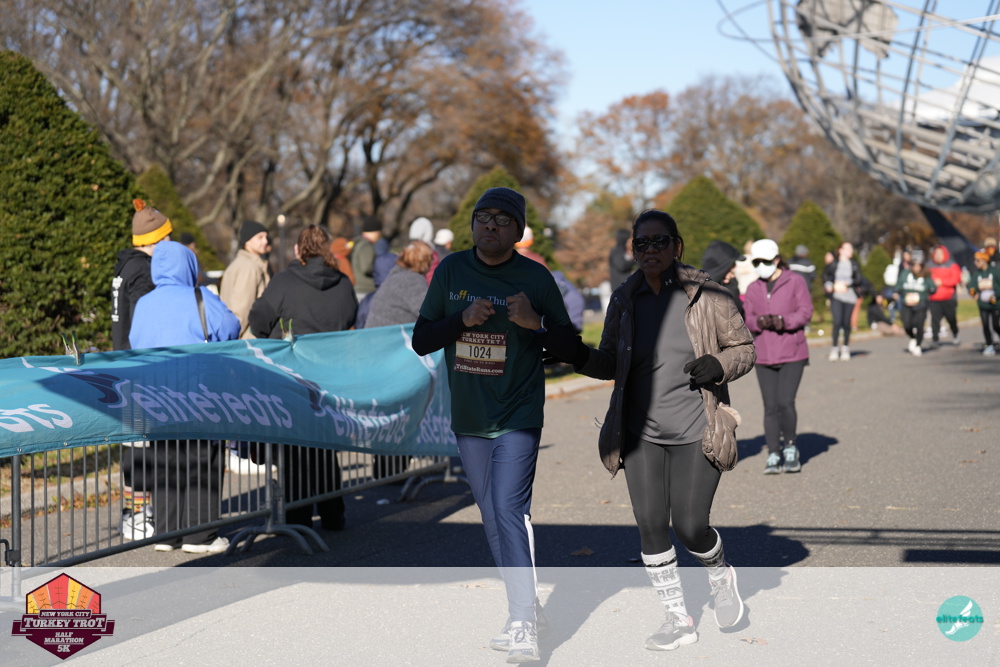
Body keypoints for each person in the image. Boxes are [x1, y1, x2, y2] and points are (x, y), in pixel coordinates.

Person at [569, 209, 756, 651]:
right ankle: (677, 619)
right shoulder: (624, 298)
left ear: (677, 246)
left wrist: (718, 365)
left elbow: (745, 348)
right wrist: (573, 354)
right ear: (633, 250)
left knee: (690, 527)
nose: (650, 250)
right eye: (642, 243)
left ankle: (720, 576)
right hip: (640, 432)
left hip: (696, 426)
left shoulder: (708, 294)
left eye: (659, 241)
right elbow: (609, 361)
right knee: (650, 525)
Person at [411, 186, 575, 663]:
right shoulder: (451, 270)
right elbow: (422, 340)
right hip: (470, 417)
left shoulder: (535, 277)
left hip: (518, 413)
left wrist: (533, 325)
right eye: (483, 216)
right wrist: (461, 319)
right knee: (491, 516)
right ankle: (528, 609)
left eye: (503, 219)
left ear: (518, 230)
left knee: (508, 509)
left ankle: (522, 621)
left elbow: (569, 345)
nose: (490, 225)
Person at [130, 241, 240, 554]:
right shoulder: (200, 297)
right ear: (188, 265)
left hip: (155, 394)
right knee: (202, 460)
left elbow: (134, 341)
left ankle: (167, 534)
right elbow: (231, 327)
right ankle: (200, 536)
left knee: (164, 462)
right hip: (198, 392)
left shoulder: (145, 304)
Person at [249, 225, 358, 530]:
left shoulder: (284, 281)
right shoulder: (342, 282)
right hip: (330, 375)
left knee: (295, 450)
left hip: (292, 376)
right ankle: (333, 514)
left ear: (298, 250)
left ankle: (299, 518)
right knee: (325, 448)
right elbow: (352, 316)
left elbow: (258, 318)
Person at [112, 198, 173, 542]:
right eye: (167, 238)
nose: (170, 243)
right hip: (140, 366)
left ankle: (134, 512)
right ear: (155, 240)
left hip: (125, 363)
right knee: (140, 447)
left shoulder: (125, 266)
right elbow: (144, 321)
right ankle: (136, 515)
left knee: (135, 443)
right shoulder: (144, 271)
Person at [742, 239, 813, 475]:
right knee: (770, 406)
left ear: (777, 260)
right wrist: (759, 322)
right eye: (757, 262)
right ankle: (773, 452)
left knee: (785, 402)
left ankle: (790, 447)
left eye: (765, 261)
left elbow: (806, 311)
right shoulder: (753, 288)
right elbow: (747, 318)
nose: (761, 266)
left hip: (792, 352)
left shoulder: (795, 281)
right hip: (764, 354)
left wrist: (784, 321)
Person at [365, 239, 435, 479]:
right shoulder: (411, 281)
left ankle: (389, 470)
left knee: (391, 414)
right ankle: (391, 472)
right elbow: (430, 312)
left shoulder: (396, 277)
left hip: (380, 355)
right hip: (391, 359)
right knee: (399, 414)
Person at [220, 220, 271, 339]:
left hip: (239, 338)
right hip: (247, 340)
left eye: (266, 237)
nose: (265, 241)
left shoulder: (240, 264)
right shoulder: (249, 267)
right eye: (260, 237)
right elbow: (241, 310)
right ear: (248, 241)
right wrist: (232, 337)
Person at [822, 241, 863, 361]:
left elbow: (858, 279)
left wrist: (847, 283)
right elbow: (826, 276)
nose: (850, 251)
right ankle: (834, 348)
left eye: (851, 249)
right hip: (836, 296)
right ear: (840, 250)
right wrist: (830, 285)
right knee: (837, 321)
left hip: (849, 296)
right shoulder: (834, 263)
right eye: (848, 248)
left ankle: (845, 347)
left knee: (846, 323)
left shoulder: (854, 264)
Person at [894, 257, 935, 356]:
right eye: (914, 265)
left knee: (919, 325)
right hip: (907, 304)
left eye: (918, 266)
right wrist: (896, 292)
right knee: (907, 325)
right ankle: (913, 337)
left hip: (921, 304)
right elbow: (899, 285)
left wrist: (930, 291)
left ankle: (918, 345)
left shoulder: (925, 275)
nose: (916, 268)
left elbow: (932, 287)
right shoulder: (905, 274)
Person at [700, 239, 745, 319]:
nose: (734, 268)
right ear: (722, 267)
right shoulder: (700, 295)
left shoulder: (731, 284)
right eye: (732, 264)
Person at [927, 244, 962, 346]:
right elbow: (926, 278)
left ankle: (955, 333)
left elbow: (956, 279)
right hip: (934, 298)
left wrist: (942, 282)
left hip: (949, 298)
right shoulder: (929, 265)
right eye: (936, 253)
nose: (938, 256)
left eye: (940, 253)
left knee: (951, 318)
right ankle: (935, 339)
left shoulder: (952, 265)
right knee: (935, 319)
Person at [968, 248, 1000, 355]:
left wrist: (995, 296)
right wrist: (973, 292)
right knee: (985, 325)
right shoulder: (977, 274)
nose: (975, 263)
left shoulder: (994, 272)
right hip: (983, 304)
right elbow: (972, 286)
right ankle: (989, 344)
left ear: (985, 260)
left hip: (995, 305)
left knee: (996, 325)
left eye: (978, 260)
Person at [351, 215, 383, 299]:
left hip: (359, 288)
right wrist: (380, 270)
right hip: (366, 289)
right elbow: (366, 267)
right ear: (374, 232)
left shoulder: (359, 243)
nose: (379, 236)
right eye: (378, 232)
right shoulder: (366, 246)